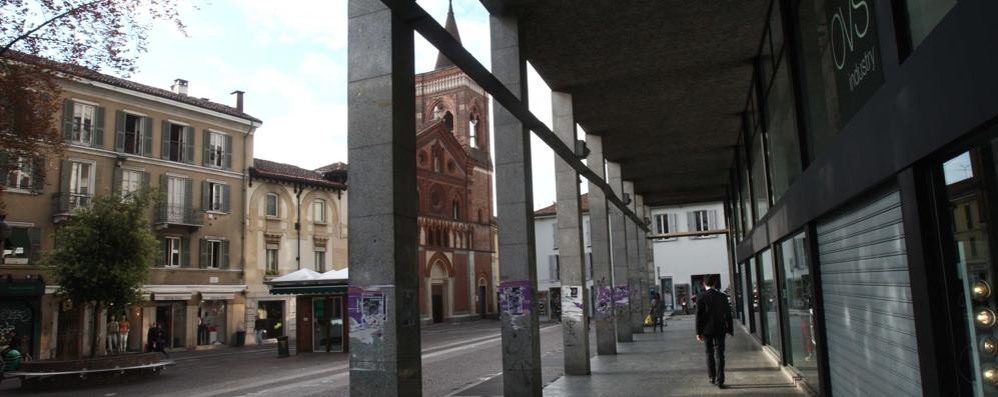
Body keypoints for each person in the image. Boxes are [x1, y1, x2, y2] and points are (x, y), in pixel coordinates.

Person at [696, 275, 733, 389]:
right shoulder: (722, 296)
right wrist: (730, 329)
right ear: (715, 283)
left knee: (709, 353)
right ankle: (720, 380)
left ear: (704, 284)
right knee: (720, 354)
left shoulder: (701, 297)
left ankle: (711, 376)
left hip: (707, 330)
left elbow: (699, 316)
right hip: (720, 328)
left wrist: (698, 332)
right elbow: (728, 314)